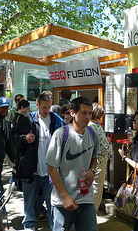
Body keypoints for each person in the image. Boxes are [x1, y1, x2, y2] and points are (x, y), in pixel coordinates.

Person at [45, 97, 100, 231]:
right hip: (63, 201)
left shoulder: (93, 134)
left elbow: (94, 157)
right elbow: (52, 169)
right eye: (84, 112)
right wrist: (65, 197)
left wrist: (92, 171)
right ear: (72, 113)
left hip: (86, 199)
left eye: (90, 113)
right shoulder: (61, 134)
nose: (88, 117)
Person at [13, 93, 64, 231]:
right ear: (37, 105)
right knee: (29, 203)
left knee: (53, 203)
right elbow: (14, 139)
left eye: (49, 107)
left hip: (50, 172)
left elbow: (65, 136)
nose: (46, 110)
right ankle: (29, 226)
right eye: (44, 107)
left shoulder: (56, 120)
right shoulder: (26, 119)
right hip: (32, 170)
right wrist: (25, 139)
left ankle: (56, 228)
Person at [88, 103, 111, 211]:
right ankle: (92, 216)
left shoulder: (85, 126)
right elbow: (105, 147)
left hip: (86, 164)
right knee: (96, 191)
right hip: (98, 164)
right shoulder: (96, 127)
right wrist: (108, 141)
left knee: (86, 191)